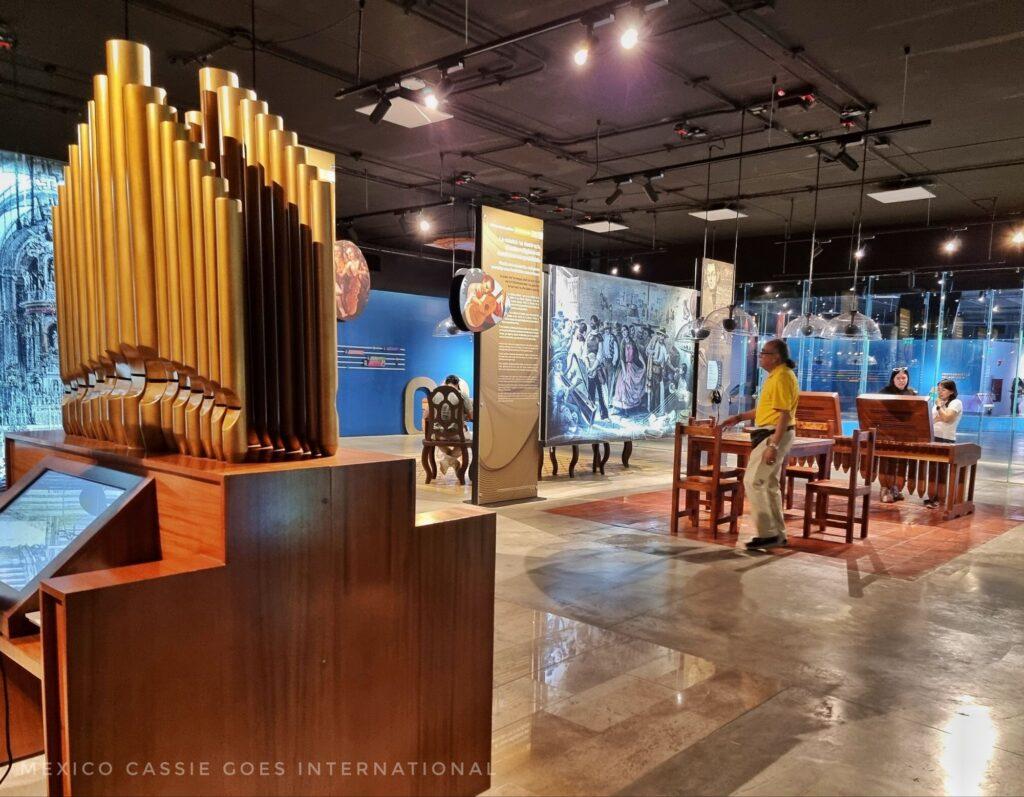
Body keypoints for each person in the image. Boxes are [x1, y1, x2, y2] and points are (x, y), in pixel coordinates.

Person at [720, 338, 800, 549]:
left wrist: (773, 445)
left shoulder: (782, 377)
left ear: (776, 357)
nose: (760, 356)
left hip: (774, 434)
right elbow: (768, 409)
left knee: (753, 481)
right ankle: (778, 533)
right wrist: (738, 418)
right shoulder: (776, 376)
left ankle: (768, 533)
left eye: (764, 353)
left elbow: (783, 415)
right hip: (771, 432)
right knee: (770, 484)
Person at [878, 367, 917, 502]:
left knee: (901, 461)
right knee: (887, 461)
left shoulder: (912, 393)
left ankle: (896, 489)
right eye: (898, 378)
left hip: (904, 434)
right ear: (893, 379)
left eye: (904, 378)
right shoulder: (884, 392)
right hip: (887, 433)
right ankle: (884, 489)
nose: (901, 381)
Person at [926, 379, 963, 507]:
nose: (940, 392)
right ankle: (932, 496)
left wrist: (939, 407)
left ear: (951, 391)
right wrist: (939, 410)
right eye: (939, 389)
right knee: (932, 469)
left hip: (946, 439)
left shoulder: (956, 403)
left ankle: (940, 498)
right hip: (933, 438)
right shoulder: (939, 403)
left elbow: (947, 418)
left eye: (943, 389)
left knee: (942, 470)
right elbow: (933, 420)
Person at [436, 375, 473, 477]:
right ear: (458, 384)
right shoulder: (462, 395)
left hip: (438, 434)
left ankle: (449, 460)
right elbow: (471, 416)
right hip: (455, 434)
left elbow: (426, 415)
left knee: (438, 439)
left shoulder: (436, 394)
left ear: (445, 383)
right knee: (469, 437)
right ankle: (449, 461)